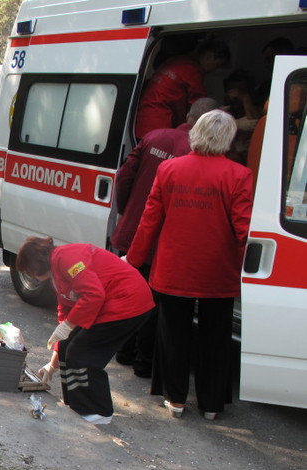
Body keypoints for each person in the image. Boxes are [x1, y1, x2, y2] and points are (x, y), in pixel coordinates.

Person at [125, 109, 254, 420]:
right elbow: (243, 231)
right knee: (216, 337)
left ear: (195, 132)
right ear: (228, 138)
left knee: (174, 334)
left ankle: (176, 399)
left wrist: (134, 260)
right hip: (217, 270)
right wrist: (246, 273)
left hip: (174, 267)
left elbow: (150, 221)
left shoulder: (170, 170)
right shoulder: (240, 175)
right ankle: (211, 404)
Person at [112, 97, 219, 378]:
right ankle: (144, 363)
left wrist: (126, 211)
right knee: (153, 305)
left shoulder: (153, 136)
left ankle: (123, 351)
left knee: (126, 295)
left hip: (132, 231)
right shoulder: (199, 154)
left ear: (188, 114)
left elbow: (123, 178)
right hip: (163, 242)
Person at [16, 236, 153, 425]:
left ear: (35, 266)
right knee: (68, 348)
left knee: (81, 354)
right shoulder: (55, 271)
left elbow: (93, 295)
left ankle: (98, 411)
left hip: (128, 302)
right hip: (112, 302)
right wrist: (53, 363)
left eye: (29, 271)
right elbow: (66, 310)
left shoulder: (66, 259)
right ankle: (74, 404)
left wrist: (69, 325)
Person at [134, 39, 230, 139]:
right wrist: (219, 113)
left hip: (143, 120)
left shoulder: (176, 61)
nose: (214, 69)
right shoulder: (193, 71)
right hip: (160, 124)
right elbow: (199, 106)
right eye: (217, 64)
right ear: (208, 57)